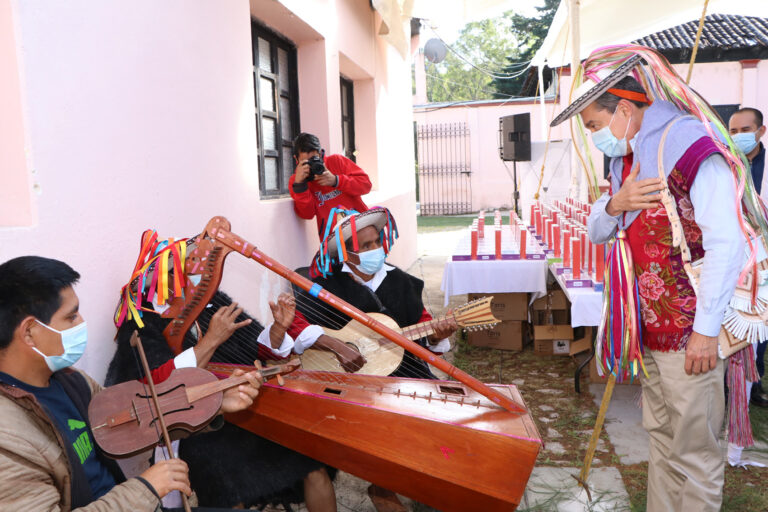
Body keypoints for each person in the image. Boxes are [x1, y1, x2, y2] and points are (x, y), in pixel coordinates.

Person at [553, 49, 746, 511]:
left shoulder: (689, 144)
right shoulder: (629, 159)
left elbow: (727, 245)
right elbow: (599, 230)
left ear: (623, 108)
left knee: (695, 452)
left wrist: (704, 333)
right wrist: (616, 203)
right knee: (661, 438)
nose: (595, 137)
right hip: (648, 334)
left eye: (594, 125)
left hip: (689, 335)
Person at [0, 256, 262, 511]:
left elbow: (138, 421)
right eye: (71, 317)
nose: (81, 323)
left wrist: (213, 400)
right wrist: (146, 488)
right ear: (30, 333)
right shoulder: (8, 439)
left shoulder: (71, 381)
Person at [107, 285, 338, 511]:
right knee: (229, 491)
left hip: (246, 406)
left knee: (313, 466)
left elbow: (253, 348)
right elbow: (156, 385)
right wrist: (212, 339)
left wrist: (278, 329)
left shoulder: (205, 294)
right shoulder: (139, 316)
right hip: (197, 426)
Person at [289, 207, 457, 381]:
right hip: (346, 379)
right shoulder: (327, 284)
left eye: (377, 242)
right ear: (346, 254)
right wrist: (336, 345)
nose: (376, 249)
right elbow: (293, 322)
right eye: (366, 246)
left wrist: (435, 337)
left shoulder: (401, 281)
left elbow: (423, 325)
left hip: (403, 375)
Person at [729, 107, 768, 408]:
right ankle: (733, 385)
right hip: (739, 255)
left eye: (745, 130)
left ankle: (753, 385)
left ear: (760, 131)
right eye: (733, 131)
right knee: (738, 319)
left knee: (762, 326)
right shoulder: (728, 165)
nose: (739, 136)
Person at [289, 132, 372, 239]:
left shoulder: (337, 161)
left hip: (363, 229)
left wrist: (336, 180)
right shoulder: (296, 181)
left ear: (320, 153)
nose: (312, 165)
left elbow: (366, 185)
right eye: (306, 162)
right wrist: (301, 186)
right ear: (296, 159)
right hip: (335, 240)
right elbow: (307, 214)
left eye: (314, 159)